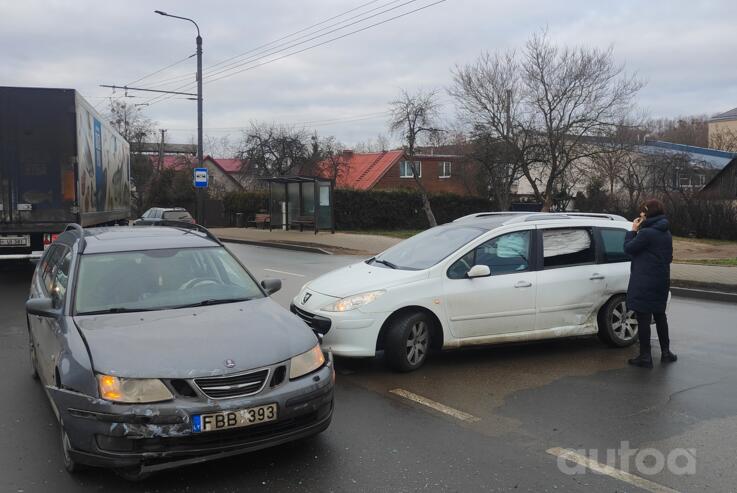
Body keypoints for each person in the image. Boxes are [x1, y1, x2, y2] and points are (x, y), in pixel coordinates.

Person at [623, 198, 678, 368]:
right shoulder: (665, 232)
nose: (640, 215)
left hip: (645, 281)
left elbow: (628, 249)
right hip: (661, 280)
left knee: (644, 318)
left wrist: (632, 230)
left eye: (642, 213)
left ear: (647, 214)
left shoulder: (646, 233)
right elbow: (668, 257)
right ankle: (666, 352)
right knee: (660, 316)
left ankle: (645, 357)